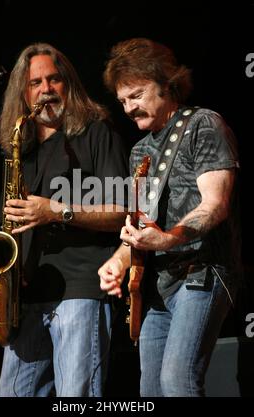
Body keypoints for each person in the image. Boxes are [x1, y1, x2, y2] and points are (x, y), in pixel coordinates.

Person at [98, 37, 241, 397]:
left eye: (137, 95)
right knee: (150, 391)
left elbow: (215, 205)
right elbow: (140, 226)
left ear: (166, 83)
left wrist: (166, 239)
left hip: (202, 273)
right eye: (123, 101)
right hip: (157, 287)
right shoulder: (139, 151)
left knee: (177, 382)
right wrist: (117, 261)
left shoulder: (203, 125)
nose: (129, 108)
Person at [0, 42, 129, 397]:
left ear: (68, 84)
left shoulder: (97, 133)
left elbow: (122, 212)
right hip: (27, 299)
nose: (46, 90)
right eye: (35, 83)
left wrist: (54, 211)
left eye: (54, 80)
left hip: (80, 290)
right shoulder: (20, 150)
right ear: (22, 94)